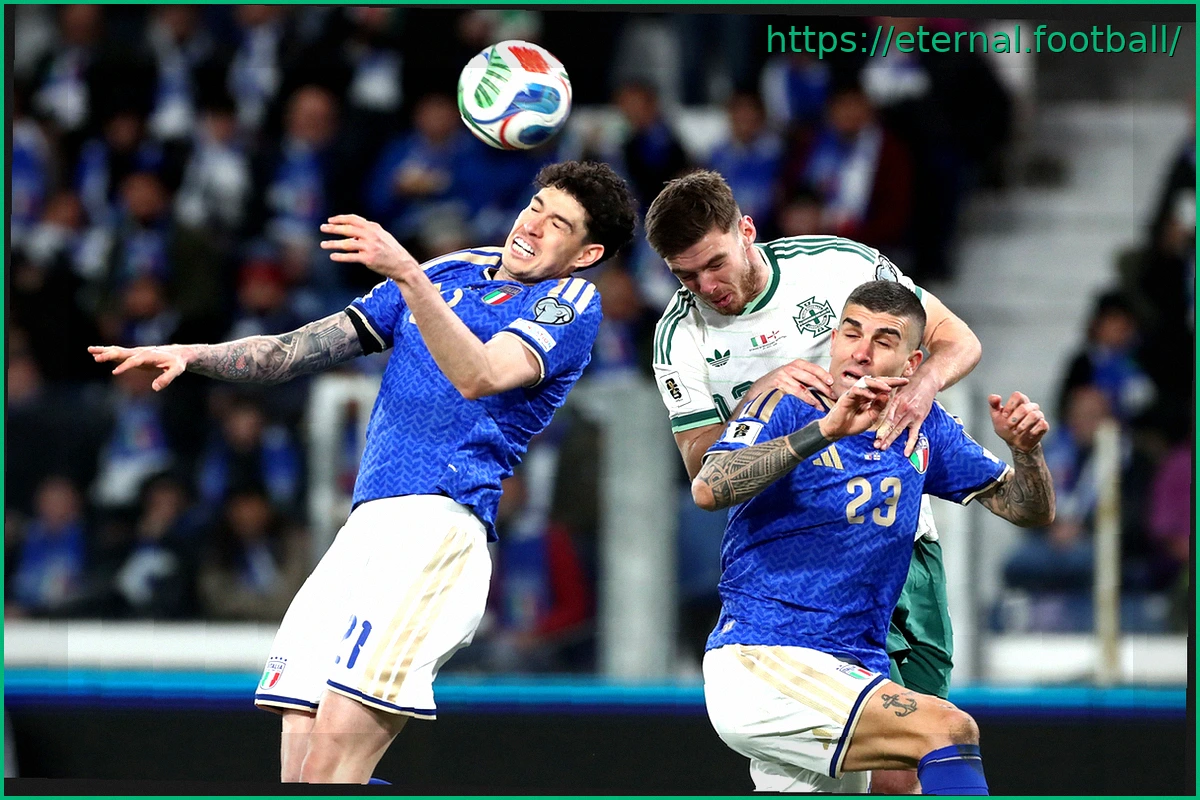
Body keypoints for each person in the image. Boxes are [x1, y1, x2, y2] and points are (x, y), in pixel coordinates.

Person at [88, 160, 637, 783]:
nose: (532, 225)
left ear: (587, 253)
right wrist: (192, 353)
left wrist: (408, 274)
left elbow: (480, 374)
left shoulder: (570, 301)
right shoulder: (451, 270)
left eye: (558, 223)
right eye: (535, 206)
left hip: (438, 527)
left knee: (330, 766)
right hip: (363, 529)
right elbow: (291, 351)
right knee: (299, 771)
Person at [645, 170, 981, 793]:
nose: (706, 287)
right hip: (793, 565)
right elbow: (703, 471)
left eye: (715, 264)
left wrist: (922, 388)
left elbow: (956, 340)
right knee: (911, 749)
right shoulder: (679, 337)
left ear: (746, 231)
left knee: (908, 762)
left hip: (894, 542)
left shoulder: (835, 266)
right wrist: (758, 393)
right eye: (685, 277)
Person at [691, 280, 1055, 794]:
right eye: (851, 333)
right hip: (767, 655)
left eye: (883, 341)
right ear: (833, 339)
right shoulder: (790, 402)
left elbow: (1027, 509)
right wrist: (826, 431)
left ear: (912, 363)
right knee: (947, 731)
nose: (860, 352)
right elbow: (709, 487)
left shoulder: (923, 427)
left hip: (850, 667)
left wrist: (1026, 452)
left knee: (898, 782)